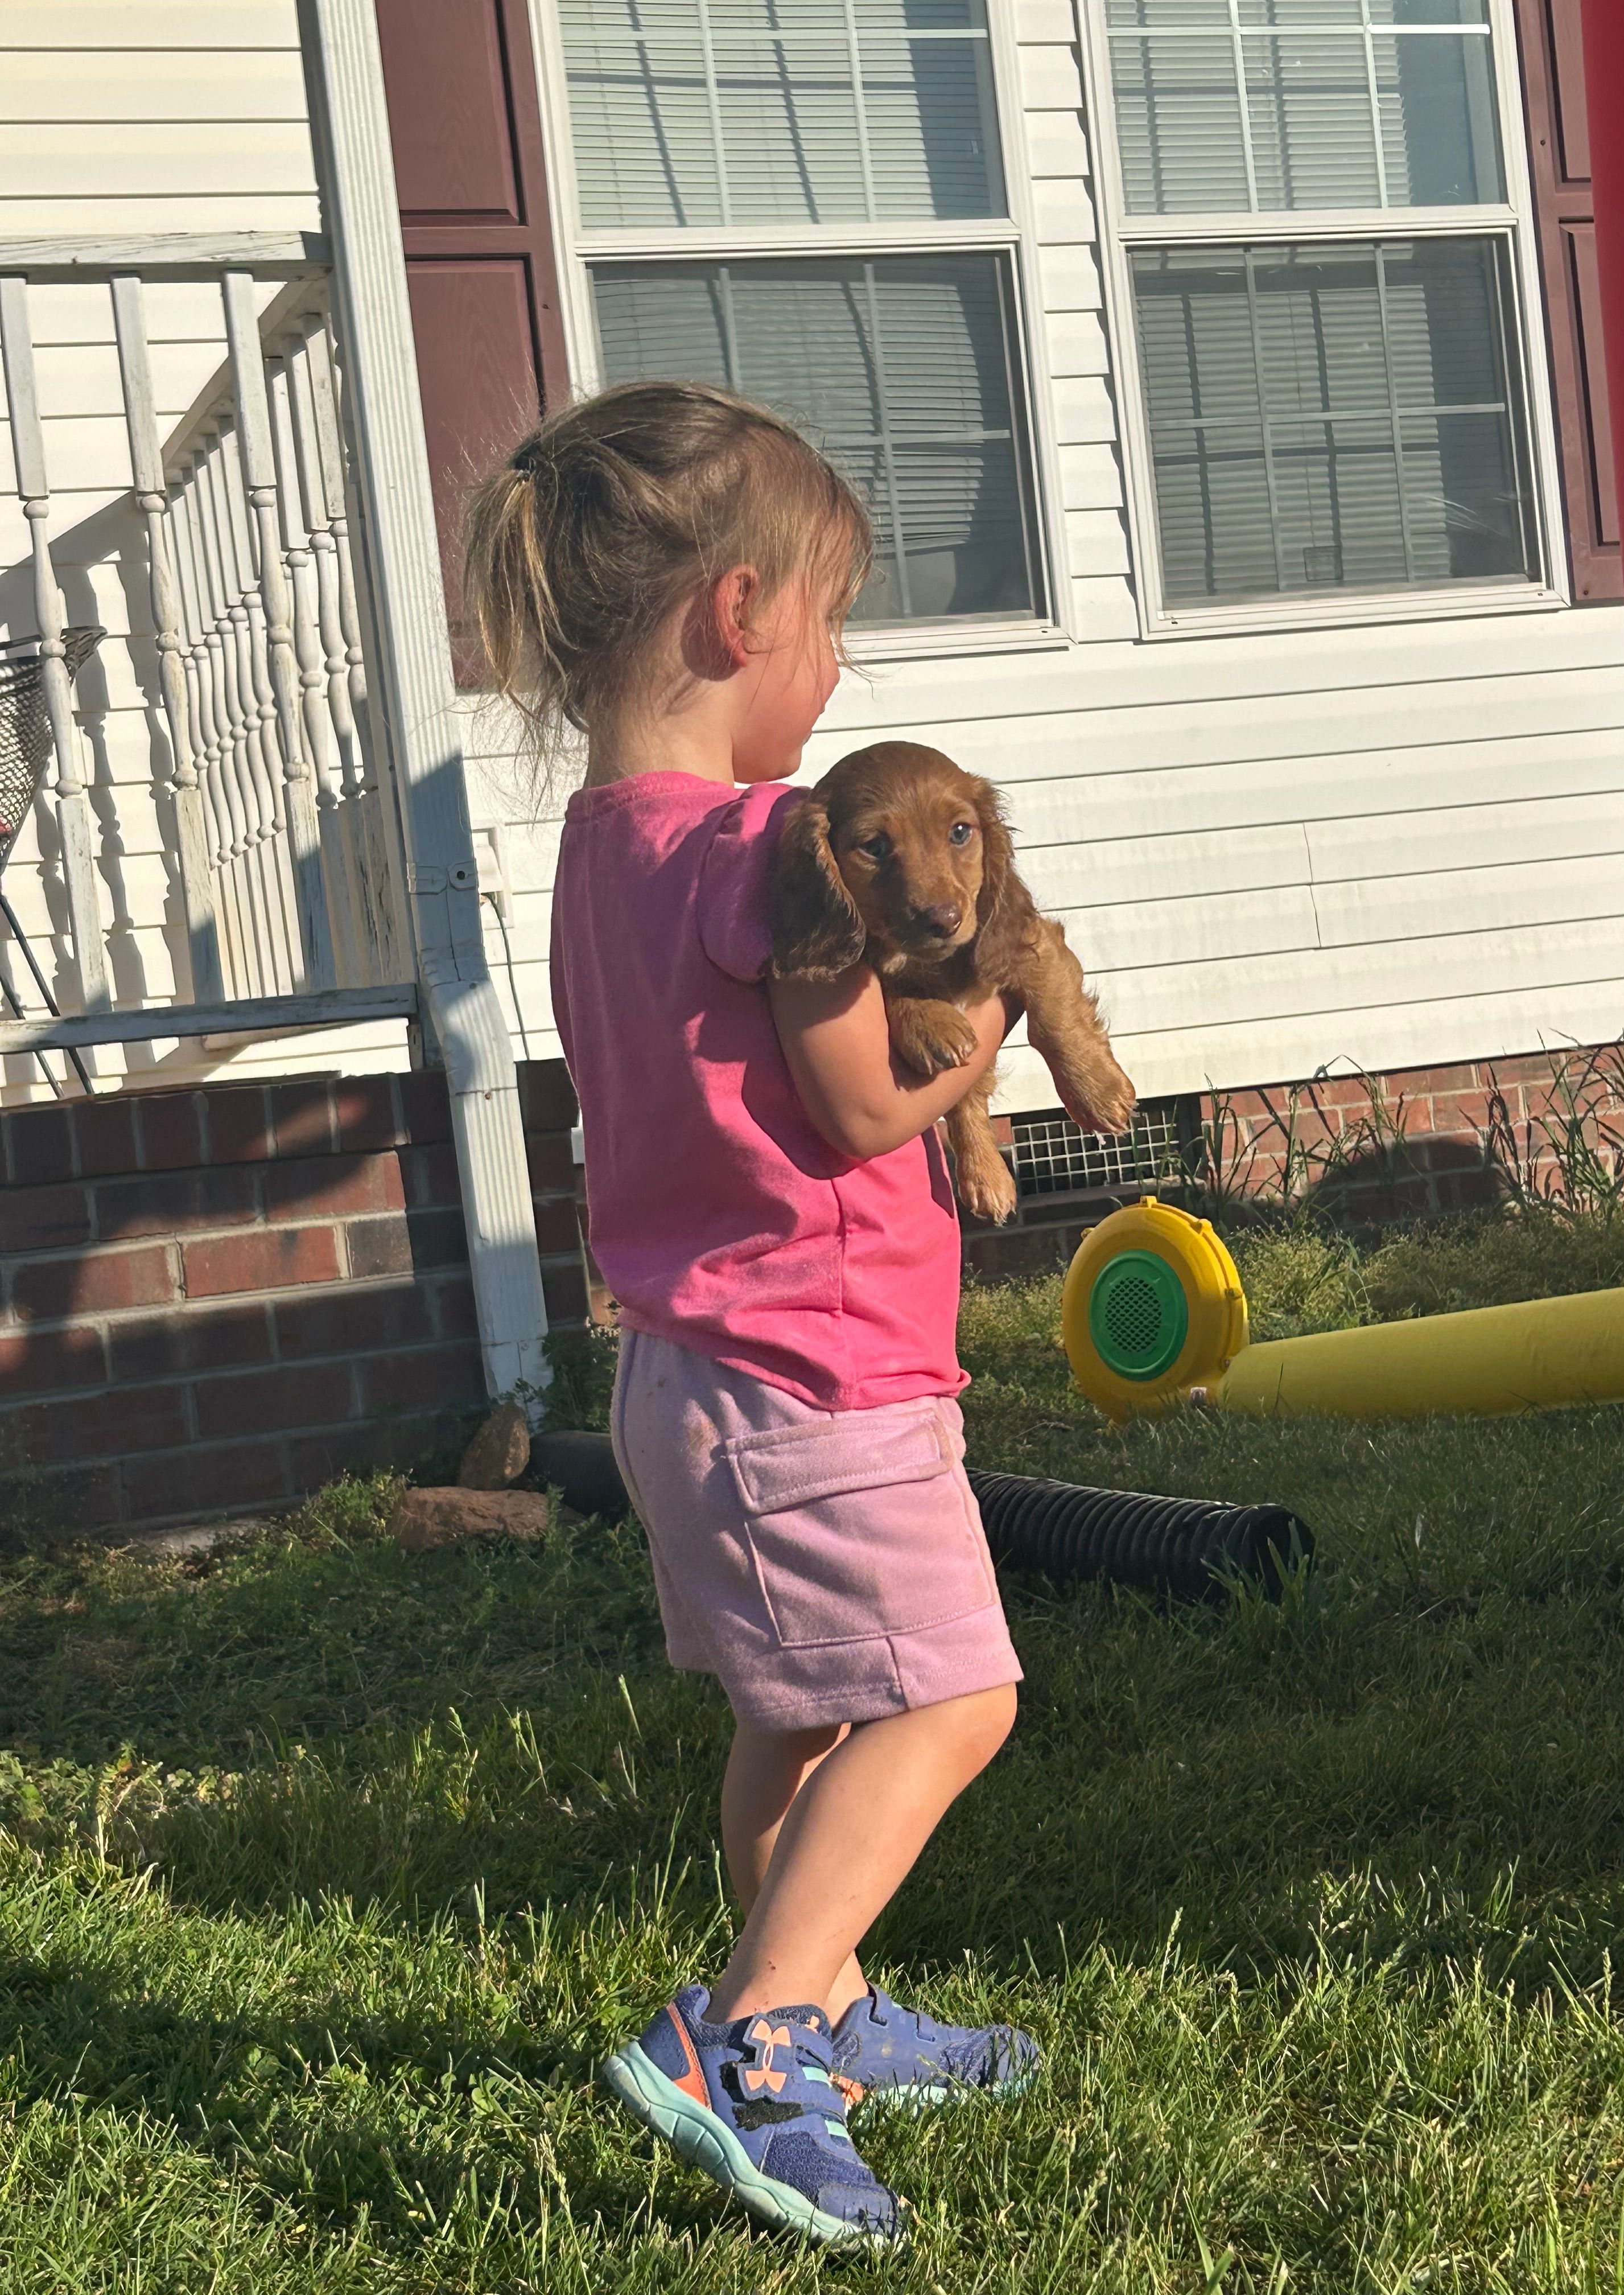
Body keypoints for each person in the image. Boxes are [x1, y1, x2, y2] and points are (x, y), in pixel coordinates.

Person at [464, 381, 1036, 2249]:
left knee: (798, 1718)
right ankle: (757, 2037)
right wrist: (996, 1040)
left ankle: (832, 1989)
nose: (841, 669)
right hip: (815, 1379)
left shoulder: (602, 845)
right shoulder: (767, 847)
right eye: (836, 623)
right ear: (740, 616)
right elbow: (870, 1101)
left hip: (685, 1381)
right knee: (955, 1695)